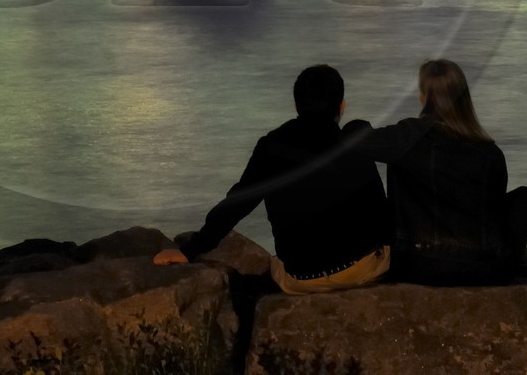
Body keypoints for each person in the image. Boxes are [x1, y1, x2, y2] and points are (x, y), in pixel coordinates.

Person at [153, 64, 391, 295]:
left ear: (296, 105)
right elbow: (380, 210)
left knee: (275, 264)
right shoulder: (356, 141)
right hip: (362, 270)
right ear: (342, 106)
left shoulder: (271, 147)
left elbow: (239, 202)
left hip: (302, 278)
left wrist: (191, 249)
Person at [347, 59, 527, 286]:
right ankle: (515, 261)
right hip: (483, 269)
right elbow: (495, 212)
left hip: (416, 264)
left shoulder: (406, 137)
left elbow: (354, 140)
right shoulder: (489, 152)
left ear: (424, 96)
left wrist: (358, 125)